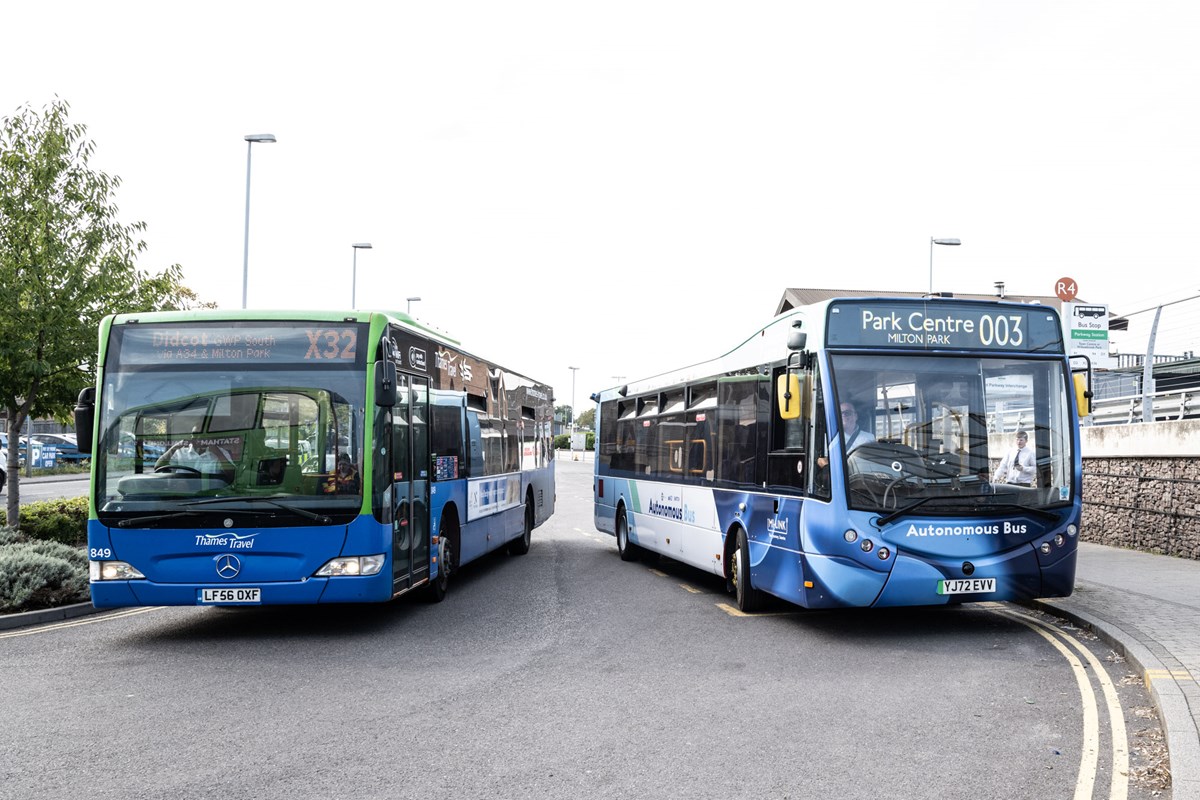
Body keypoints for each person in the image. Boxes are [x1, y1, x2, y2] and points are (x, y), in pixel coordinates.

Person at [818, 401, 876, 468]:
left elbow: (872, 462)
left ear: (856, 416)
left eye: (847, 413)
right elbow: (822, 459)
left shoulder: (869, 438)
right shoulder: (829, 438)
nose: (843, 416)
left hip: (859, 475)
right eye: (840, 413)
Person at [156, 427, 234, 475]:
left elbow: (232, 476)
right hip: (184, 494)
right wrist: (175, 447)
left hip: (211, 497)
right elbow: (158, 466)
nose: (198, 437)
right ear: (191, 436)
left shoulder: (220, 452)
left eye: (202, 434)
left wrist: (217, 453)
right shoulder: (180, 452)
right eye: (195, 434)